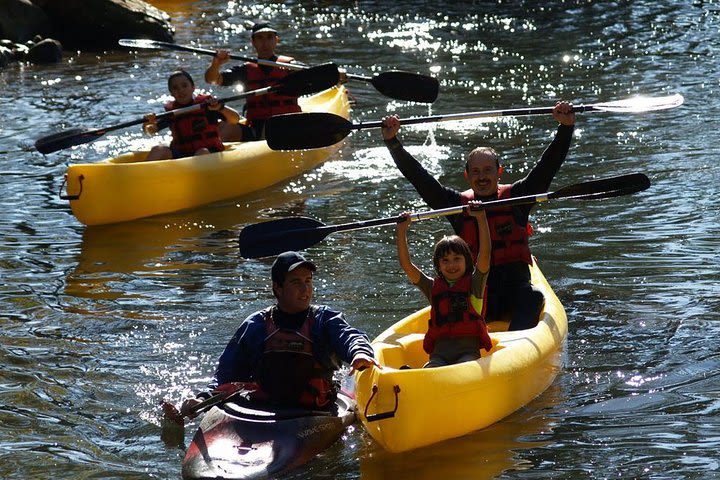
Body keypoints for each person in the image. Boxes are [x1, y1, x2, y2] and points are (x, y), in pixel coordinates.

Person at [381, 102, 576, 331]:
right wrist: (392, 143)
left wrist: (565, 128)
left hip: (518, 292)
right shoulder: (456, 206)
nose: (481, 177)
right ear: (467, 176)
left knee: (534, 297)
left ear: (499, 172)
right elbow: (421, 179)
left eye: (487, 170)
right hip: (479, 295)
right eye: (475, 171)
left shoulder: (519, 197)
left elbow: (548, 165)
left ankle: (515, 343)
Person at [179, 251, 378, 415]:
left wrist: (360, 353)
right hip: (265, 410)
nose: (305, 289)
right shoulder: (256, 325)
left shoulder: (323, 319)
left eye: (308, 281)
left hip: (315, 413)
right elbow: (225, 375)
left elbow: (351, 336)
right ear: (278, 288)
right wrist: (201, 399)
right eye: (296, 282)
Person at [396, 202, 493, 368]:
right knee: (431, 367)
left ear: (467, 261)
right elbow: (407, 265)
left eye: (457, 259)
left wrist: (481, 217)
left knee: (463, 367)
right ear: (438, 265)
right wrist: (401, 230)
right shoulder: (432, 287)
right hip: (439, 356)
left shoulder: (475, 284)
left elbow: (485, 254)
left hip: (467, 355)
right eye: (445, 261)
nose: (451, 265)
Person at [205, 20, 303, 142]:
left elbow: (312, 79)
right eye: (260, 38)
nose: (265, 43)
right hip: (256, 128)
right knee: (226, 128)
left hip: (287, 124)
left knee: (269, 127)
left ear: (276, 40)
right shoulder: (246, 70)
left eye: (269, 37)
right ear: (253, 42)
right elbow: (211, 79)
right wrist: (216, 64)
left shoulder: (292, 67)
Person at [141, 69, 240, 161]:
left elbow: (235, 119)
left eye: (184, 86)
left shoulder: (207, 106)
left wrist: (220, 108)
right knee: (158, 149)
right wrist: (147, 123)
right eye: (175, 88)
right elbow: (151, 130)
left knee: (202, 152)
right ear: (171, 93)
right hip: (182, 154)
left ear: (193, 88)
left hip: (210, 153)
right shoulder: (172, 112)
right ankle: (142, 178)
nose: (180, 90)